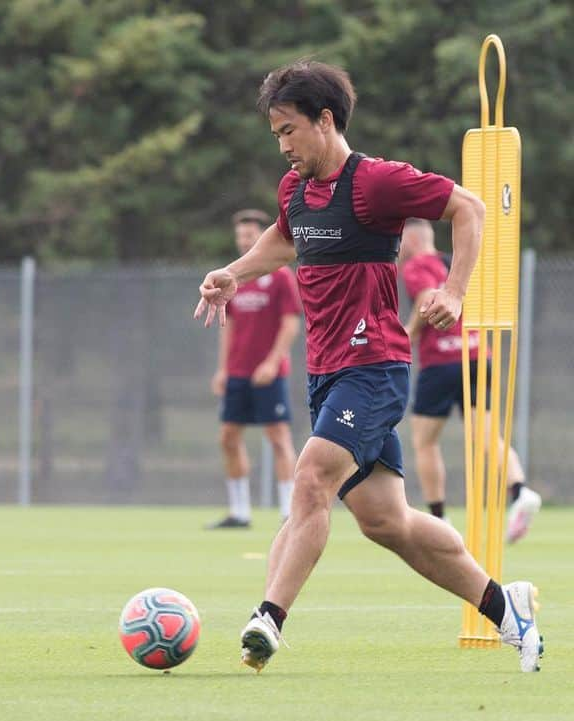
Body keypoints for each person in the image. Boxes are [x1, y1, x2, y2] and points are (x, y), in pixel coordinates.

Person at [194, 60, 542, 674]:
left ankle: (267, 620)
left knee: (310, 479)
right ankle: (505, 606)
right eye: (275, 134)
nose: (283, 145)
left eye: (289, 130)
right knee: (388, 522)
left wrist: (455, 292)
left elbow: (470, 209)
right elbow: (284, 238)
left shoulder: (376, 182)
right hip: (326, 374)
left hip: (375, 367)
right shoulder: (294, 190)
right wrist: (233, 273)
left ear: (325, 121)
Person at [399, 218, 541, 540]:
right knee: (487, 436)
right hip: (479, 354)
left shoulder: (416, 265)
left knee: (424, 441)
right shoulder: (454, 263)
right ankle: (519, 491)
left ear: (411, 239)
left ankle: (439, 517)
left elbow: (425, 298)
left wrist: (409, 334)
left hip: (442, 361)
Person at [206, 209, 301, 529]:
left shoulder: (279, 277)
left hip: (268, 373)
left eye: (250, 236)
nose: (244, 241)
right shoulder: (233, 279)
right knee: (228, 437)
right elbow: (226, 325)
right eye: (241, 236)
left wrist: (273, 362)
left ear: (261, 237)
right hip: (238, 373)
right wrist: (222, 369)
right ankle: (240, 511)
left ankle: (289, 511)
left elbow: (290, 323)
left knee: (278, 437)